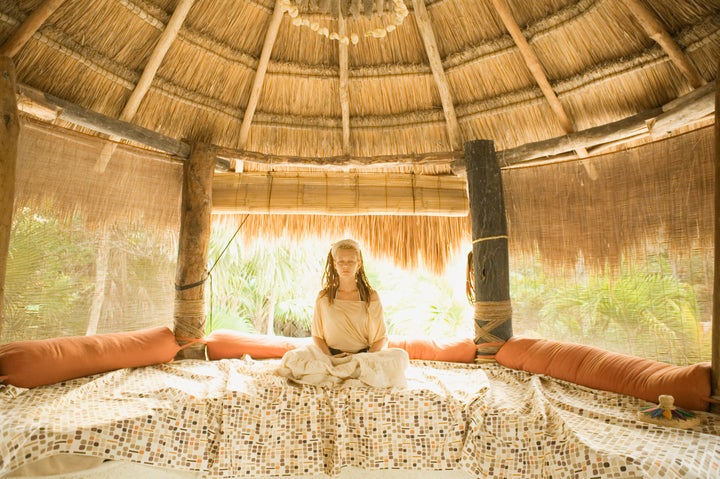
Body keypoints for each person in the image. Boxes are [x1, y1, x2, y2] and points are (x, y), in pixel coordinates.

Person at [312, 238, 388, 357]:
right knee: (294, 358)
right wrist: (330, 358)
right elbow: (317, 336)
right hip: (330, 355)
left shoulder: (370, 296)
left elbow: (381, 338)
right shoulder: (324, 297)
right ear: (335, 264)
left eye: (351, 261)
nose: (345, 266)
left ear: (359, 264)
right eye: (341, 261)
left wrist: (365, 358)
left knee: (400, 355)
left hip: (363, 356)